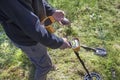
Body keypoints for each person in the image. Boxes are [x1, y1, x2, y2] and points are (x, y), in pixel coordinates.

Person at [0, 0, 71, 80]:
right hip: (27, 39)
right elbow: (32, 28)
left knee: (40, 53)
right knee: (44, 67)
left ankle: (40, 61)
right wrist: (59, 43)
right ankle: (44, 66)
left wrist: (51, 11)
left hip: (35, 34)